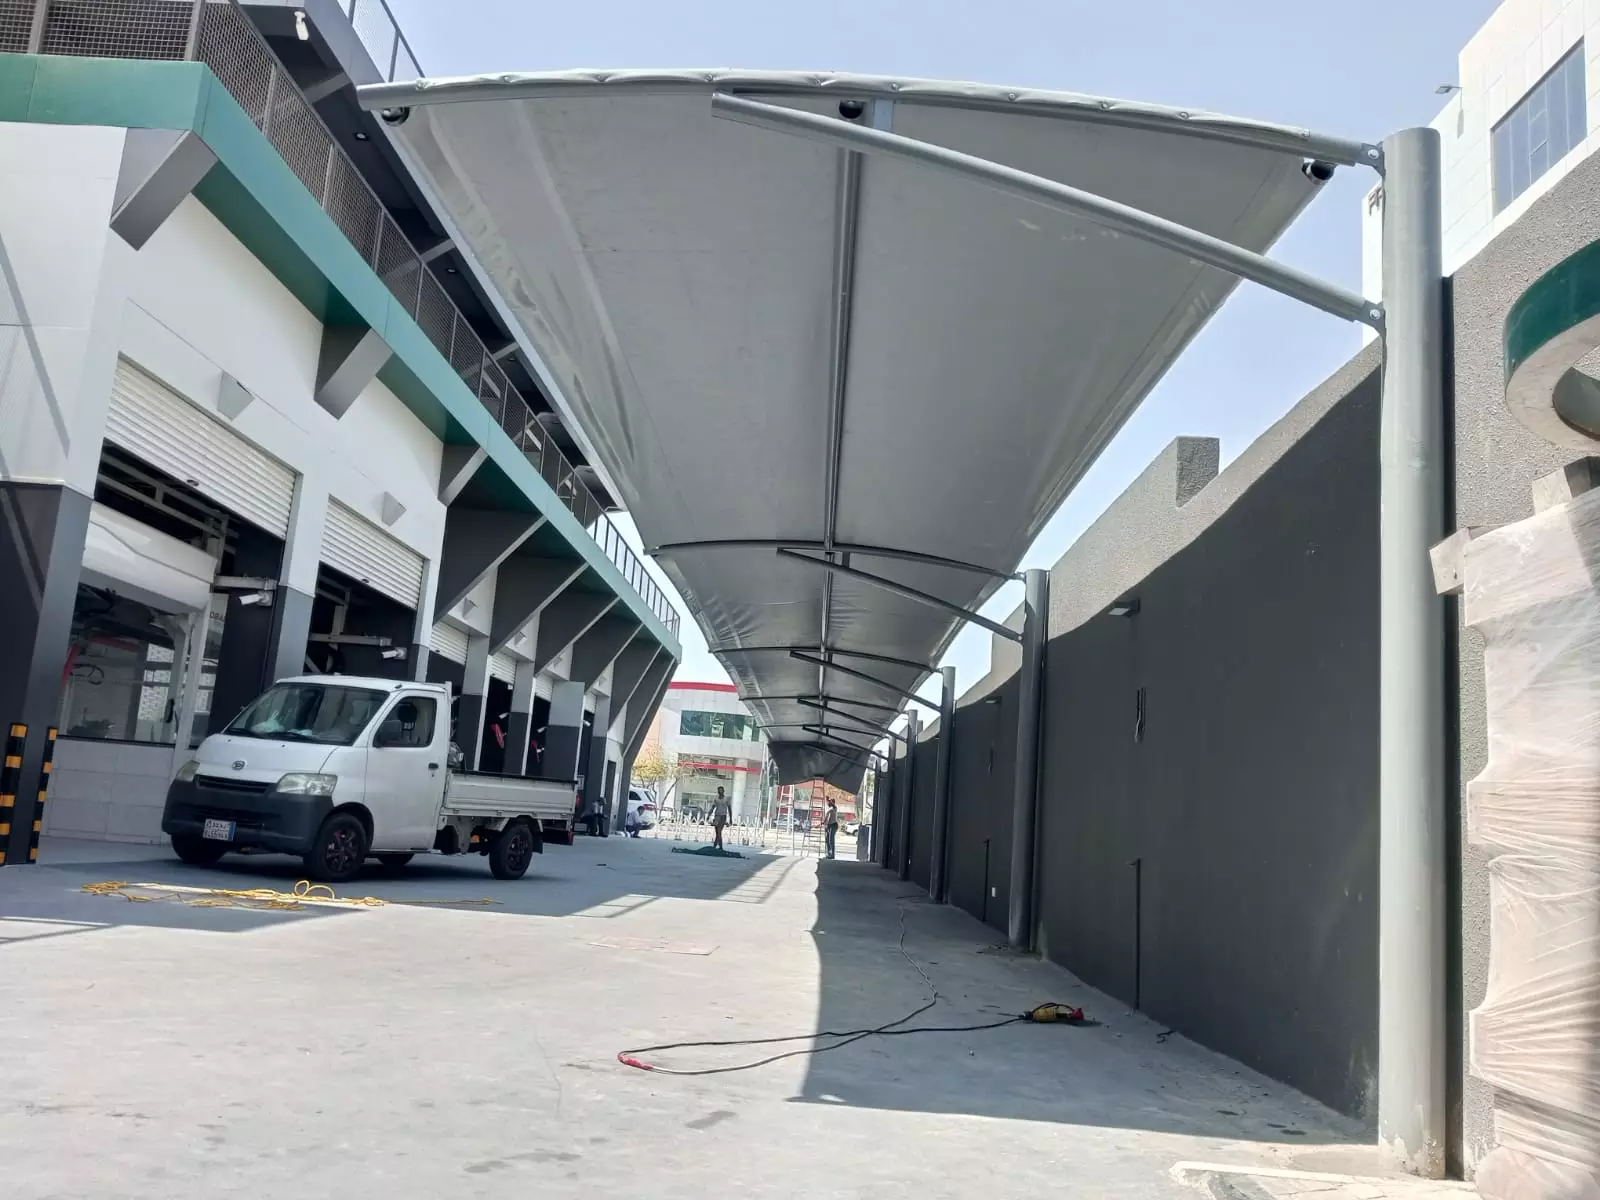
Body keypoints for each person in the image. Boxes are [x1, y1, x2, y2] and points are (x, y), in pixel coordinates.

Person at [710, 786, 732, 850]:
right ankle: (715, 845)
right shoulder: (716, 799)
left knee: (719, 832)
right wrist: (709, 814)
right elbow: (713, 807)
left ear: (723, 791)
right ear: (718, 792)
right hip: (716, 816)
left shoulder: (726, 799)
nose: (720, 791)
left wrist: (730, 819)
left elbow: (729, 809)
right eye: (719, 790)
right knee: (717, 832)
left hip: (723, 816)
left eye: (721, 790)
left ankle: (721, 847)